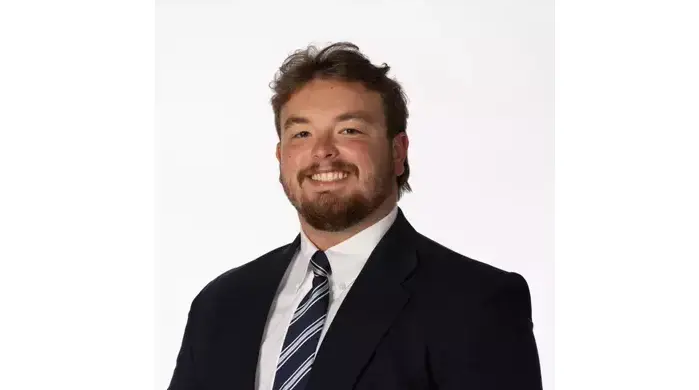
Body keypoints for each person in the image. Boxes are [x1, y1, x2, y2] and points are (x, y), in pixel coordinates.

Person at [167, 42, 543, 390]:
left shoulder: (476, 303)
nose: (323, 152)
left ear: (398, 152)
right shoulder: (220, 305)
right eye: (301, 134)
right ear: (281, 156)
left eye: (349, 130)